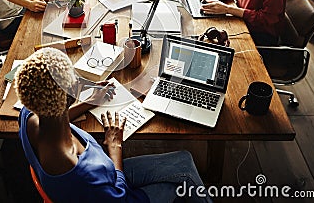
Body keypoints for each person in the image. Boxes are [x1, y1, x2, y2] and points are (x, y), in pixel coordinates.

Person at [16, 47, 212, 203]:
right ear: (68, 96)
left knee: (184, 160)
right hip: (115, 190)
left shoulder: (29, 115)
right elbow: (119, 196)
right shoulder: (79, 170)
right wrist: (114, 146)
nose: (79, 81)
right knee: (178, 183)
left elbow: (57, 114)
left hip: (98, 182)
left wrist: (92, 101)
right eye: (75, 79)